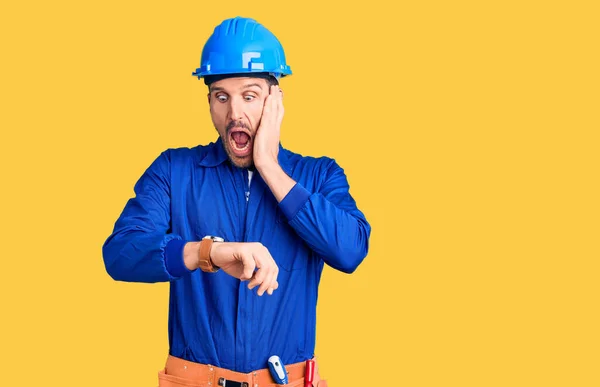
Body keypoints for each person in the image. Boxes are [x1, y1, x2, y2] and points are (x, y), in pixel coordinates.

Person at [102, 16, 371, 387]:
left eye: (250, 96)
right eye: (221, 97)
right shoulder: (174, 171)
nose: (235, 114)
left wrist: (269, 166)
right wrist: (206, 253)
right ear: (209, 101)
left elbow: (351, 250)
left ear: (276, 101)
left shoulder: (320, 176)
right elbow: (120, 254)